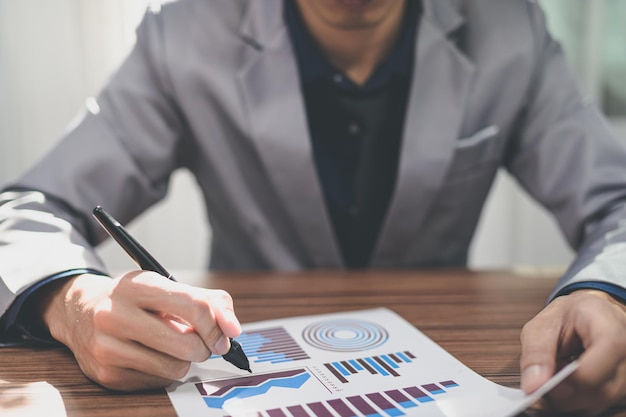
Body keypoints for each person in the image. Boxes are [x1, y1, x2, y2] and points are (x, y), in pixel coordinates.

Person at [1, 0, 626, 414]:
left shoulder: (509, 27)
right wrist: (74, 300)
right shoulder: (185, 30)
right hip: (243, 361)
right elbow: (29, 204)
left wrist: (607, 289)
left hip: (441, 361)